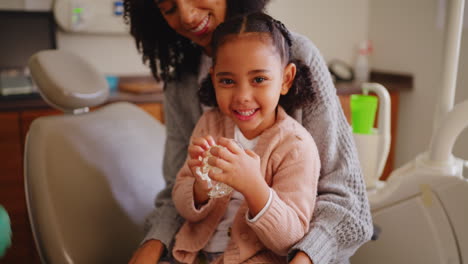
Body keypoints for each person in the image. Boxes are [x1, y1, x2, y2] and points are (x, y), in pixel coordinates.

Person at [124, 0, 373, 263]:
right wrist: (155, 241)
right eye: (169, 8)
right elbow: (181, 191)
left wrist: (304, 257)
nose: (186, 16)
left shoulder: (295, 133)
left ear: (286, 79)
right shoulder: (194, 101)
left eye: (259, 80)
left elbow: (346, 202)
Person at [169, 12, 320, 263]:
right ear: (214, 78)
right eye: (227, 81)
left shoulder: (296, 146)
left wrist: (254, 186)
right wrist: (199, 189)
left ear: (286, 79)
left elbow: (290, 238)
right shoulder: (210, 125)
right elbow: (183, 206)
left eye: (259, 79)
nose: (242, 96)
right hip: (192, 254)